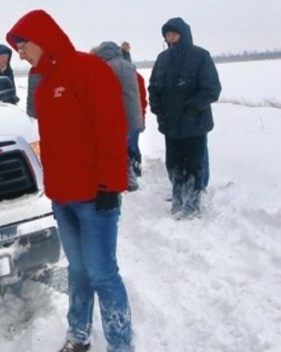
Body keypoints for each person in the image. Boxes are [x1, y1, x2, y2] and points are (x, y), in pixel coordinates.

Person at [6, 10, 135, 352]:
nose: (20, 54)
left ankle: (122, 348)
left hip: (96, 197)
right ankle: (78, 336)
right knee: (77, 272)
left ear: (42, 37)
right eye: (16, 48)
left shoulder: (89, 70)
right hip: (63, 197)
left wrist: (112, 184)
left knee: (102, 273)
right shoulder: (44, 82)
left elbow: (111, 130)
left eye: (22, 45)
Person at [149, 17, 221, 218]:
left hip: (194, 124)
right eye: (167, 34)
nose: (170, 37)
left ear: (183, 34)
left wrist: (193, 109)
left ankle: (192, 204)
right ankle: (178, 197)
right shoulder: (163, 59)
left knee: (194, 165)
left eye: (174, 33)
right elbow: (154, 88)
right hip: (171, 124)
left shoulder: (200, 56)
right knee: (173, 164)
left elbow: (211, 89)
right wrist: (159, 111)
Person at [93, 41, 144, 192]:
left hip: (119, 116)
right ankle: (132, 177)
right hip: (133, 115)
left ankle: (129, 181)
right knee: (127, 148)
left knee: (118, 150)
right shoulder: (128, 66)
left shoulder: (106, 67)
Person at [120, 42, 149, 178]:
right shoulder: (135, 76)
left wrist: (141, 119)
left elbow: (142, 101)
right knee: (130, 146)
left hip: (130, 119)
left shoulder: (136, 77)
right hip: (130, 119)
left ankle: (133, 173)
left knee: (130, 146)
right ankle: (132, 173)